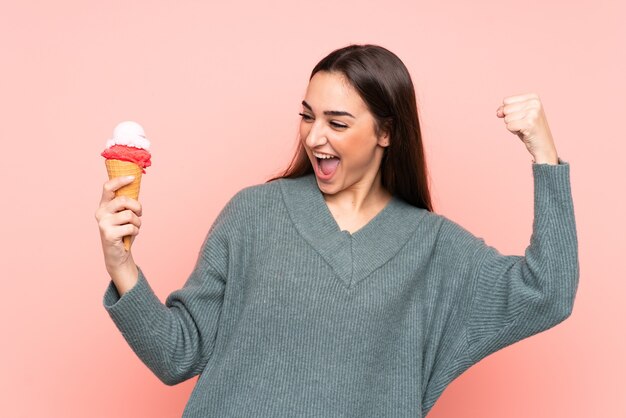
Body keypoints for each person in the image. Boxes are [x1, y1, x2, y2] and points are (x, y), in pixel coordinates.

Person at [96, 44, 578, 417]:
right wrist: (121, 263)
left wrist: (544, 154)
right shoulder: (254, 214)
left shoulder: (435, 248)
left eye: (337, 122)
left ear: (386, 133)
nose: (314, 137)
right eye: (307, 116)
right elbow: (175, 354)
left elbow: (548, 292)